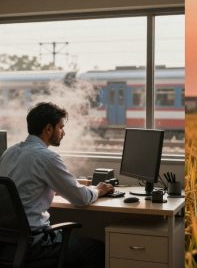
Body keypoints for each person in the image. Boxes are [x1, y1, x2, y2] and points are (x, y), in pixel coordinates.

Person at [0, 102, 114, 268]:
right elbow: (81, 198)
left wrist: (64, 185)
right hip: (35, 245)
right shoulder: (46, 157)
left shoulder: (9, 152)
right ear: (48, 129)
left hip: (7, 245)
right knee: (97, 249)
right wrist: (98, 190)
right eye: (60, 127)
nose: (63, 132)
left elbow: (25, 187)